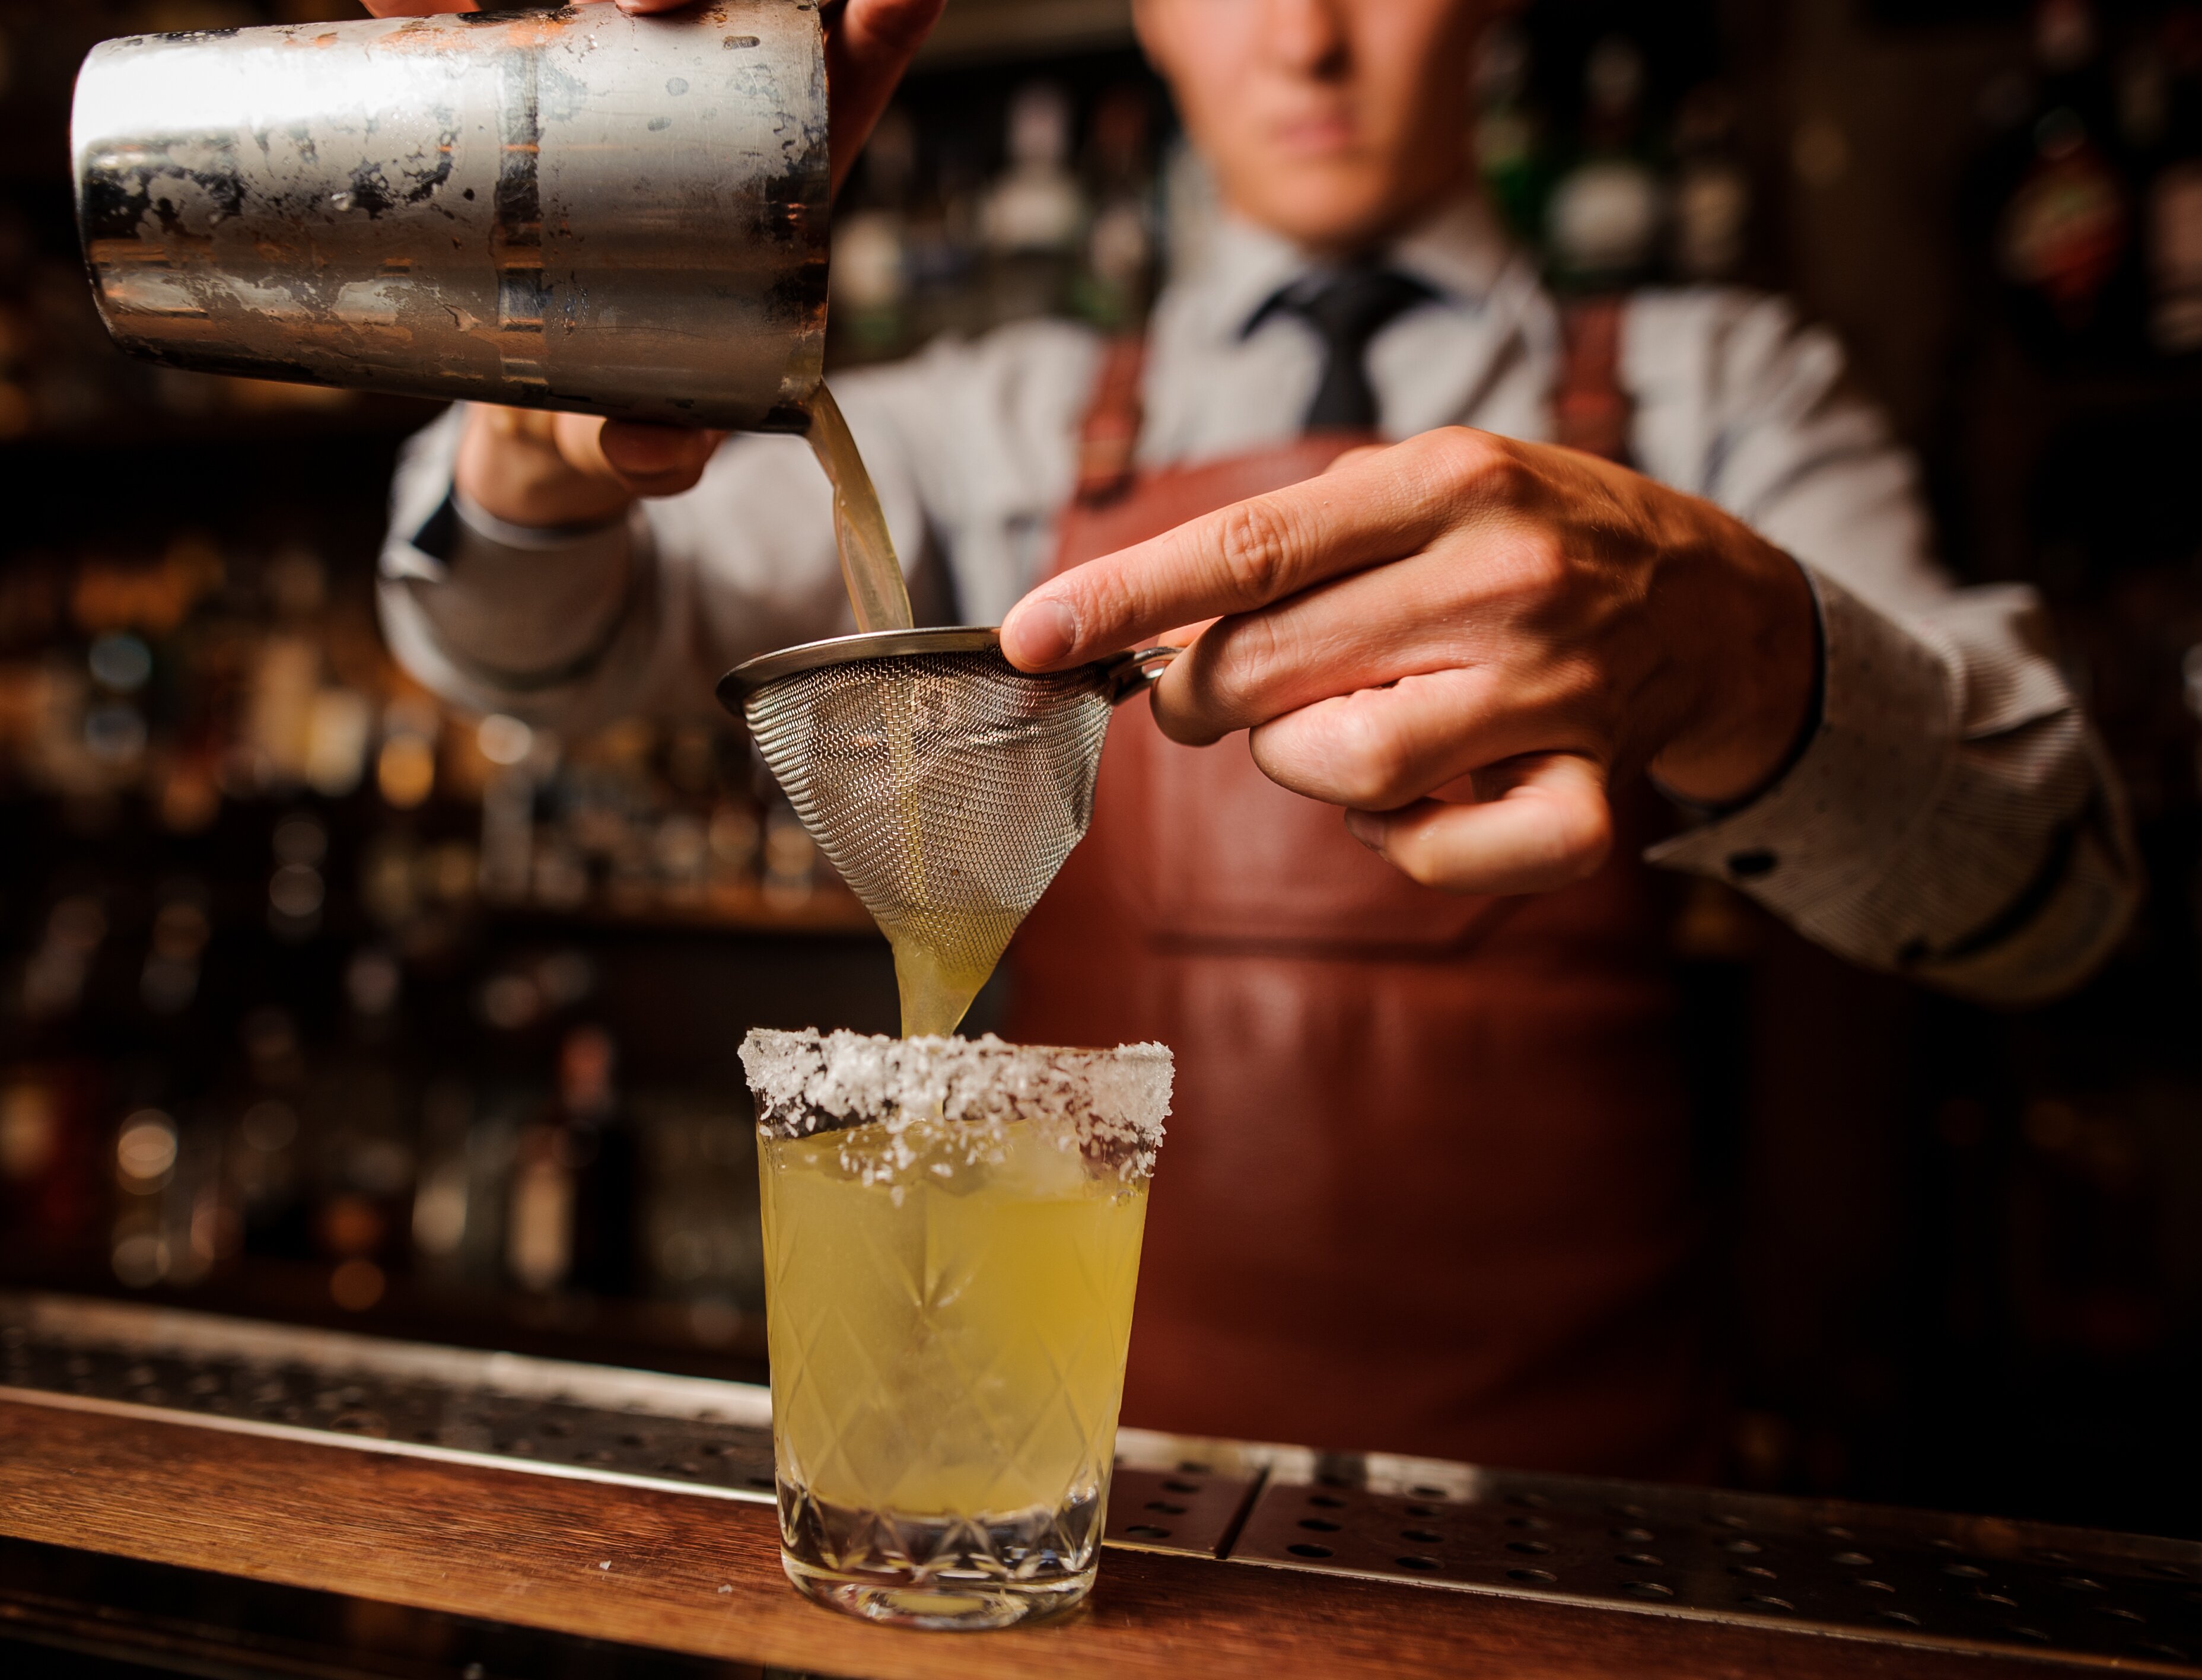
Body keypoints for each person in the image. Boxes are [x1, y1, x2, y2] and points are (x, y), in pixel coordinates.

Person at [370, 0, 2141, 1477]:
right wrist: (544, 410)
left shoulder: (1730, 393)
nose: (1306, 37)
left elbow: (2054, 896)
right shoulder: (993, 420)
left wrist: (1738, 651)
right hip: (1085, 1511)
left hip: (1591, 1538)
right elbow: (541, 642)